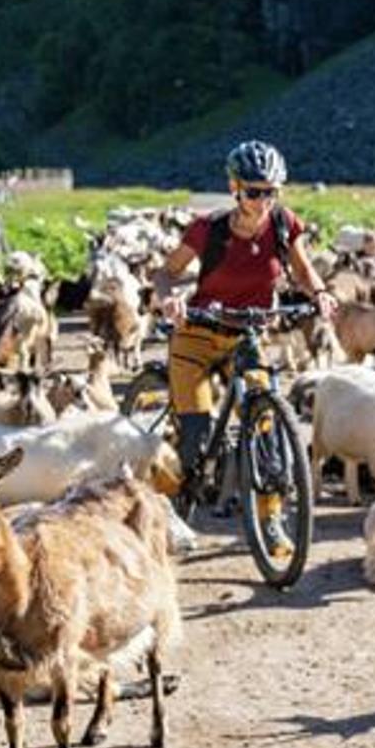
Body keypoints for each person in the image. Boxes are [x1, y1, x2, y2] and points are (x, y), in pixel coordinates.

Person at [151, 140, 338, 543]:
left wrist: (319, 293)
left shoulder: (285, 225)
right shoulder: (208, 229)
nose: (263, 200)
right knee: (195, 440)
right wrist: (168, 300)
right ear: (235, 188)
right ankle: (161, 512)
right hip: (197, 334)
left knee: (267, 426)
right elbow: (166, 273)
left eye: (271, 191)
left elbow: (303, 271)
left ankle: (271, 521)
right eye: (254, 191)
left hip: (246, 334)